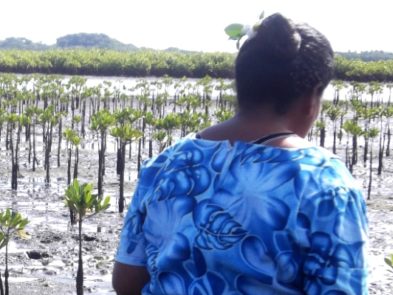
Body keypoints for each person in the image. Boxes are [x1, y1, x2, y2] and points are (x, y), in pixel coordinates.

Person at [112, 13, 368, 295]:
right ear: (311, 99)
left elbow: (125, 283)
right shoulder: (324, 182)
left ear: (242, 85)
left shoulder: (166, 163)